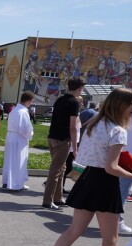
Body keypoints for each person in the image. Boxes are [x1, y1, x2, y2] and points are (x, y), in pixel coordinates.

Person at [37, 88, 132, 246]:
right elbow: (111, 167)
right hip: (104, 184)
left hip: (87, 179)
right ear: (121, 105)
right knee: (111, 239)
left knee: (74, 230)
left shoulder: (94, 124)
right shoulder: (118, 130)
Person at [41, 78, 84, 210]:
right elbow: (73, 127)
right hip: (62, 140)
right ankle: (47, 201)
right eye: (82, 88)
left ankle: (58, 198)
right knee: (55, 170)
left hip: (52, 137)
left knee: (62, 168)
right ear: (79, 88)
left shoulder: (60, 99)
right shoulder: (74, 103)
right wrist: (75, 149)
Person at [1, 91, 34, 191]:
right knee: (18, 160)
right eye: (31, 101)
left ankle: (7, 182)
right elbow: (25, 129)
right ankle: (16, 183)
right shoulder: (23, 112)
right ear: (28, 101)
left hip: (11, 136)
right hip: (19, 138)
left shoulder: (14, 110)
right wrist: (31, 134)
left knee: (9, 160)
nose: (31, 103)